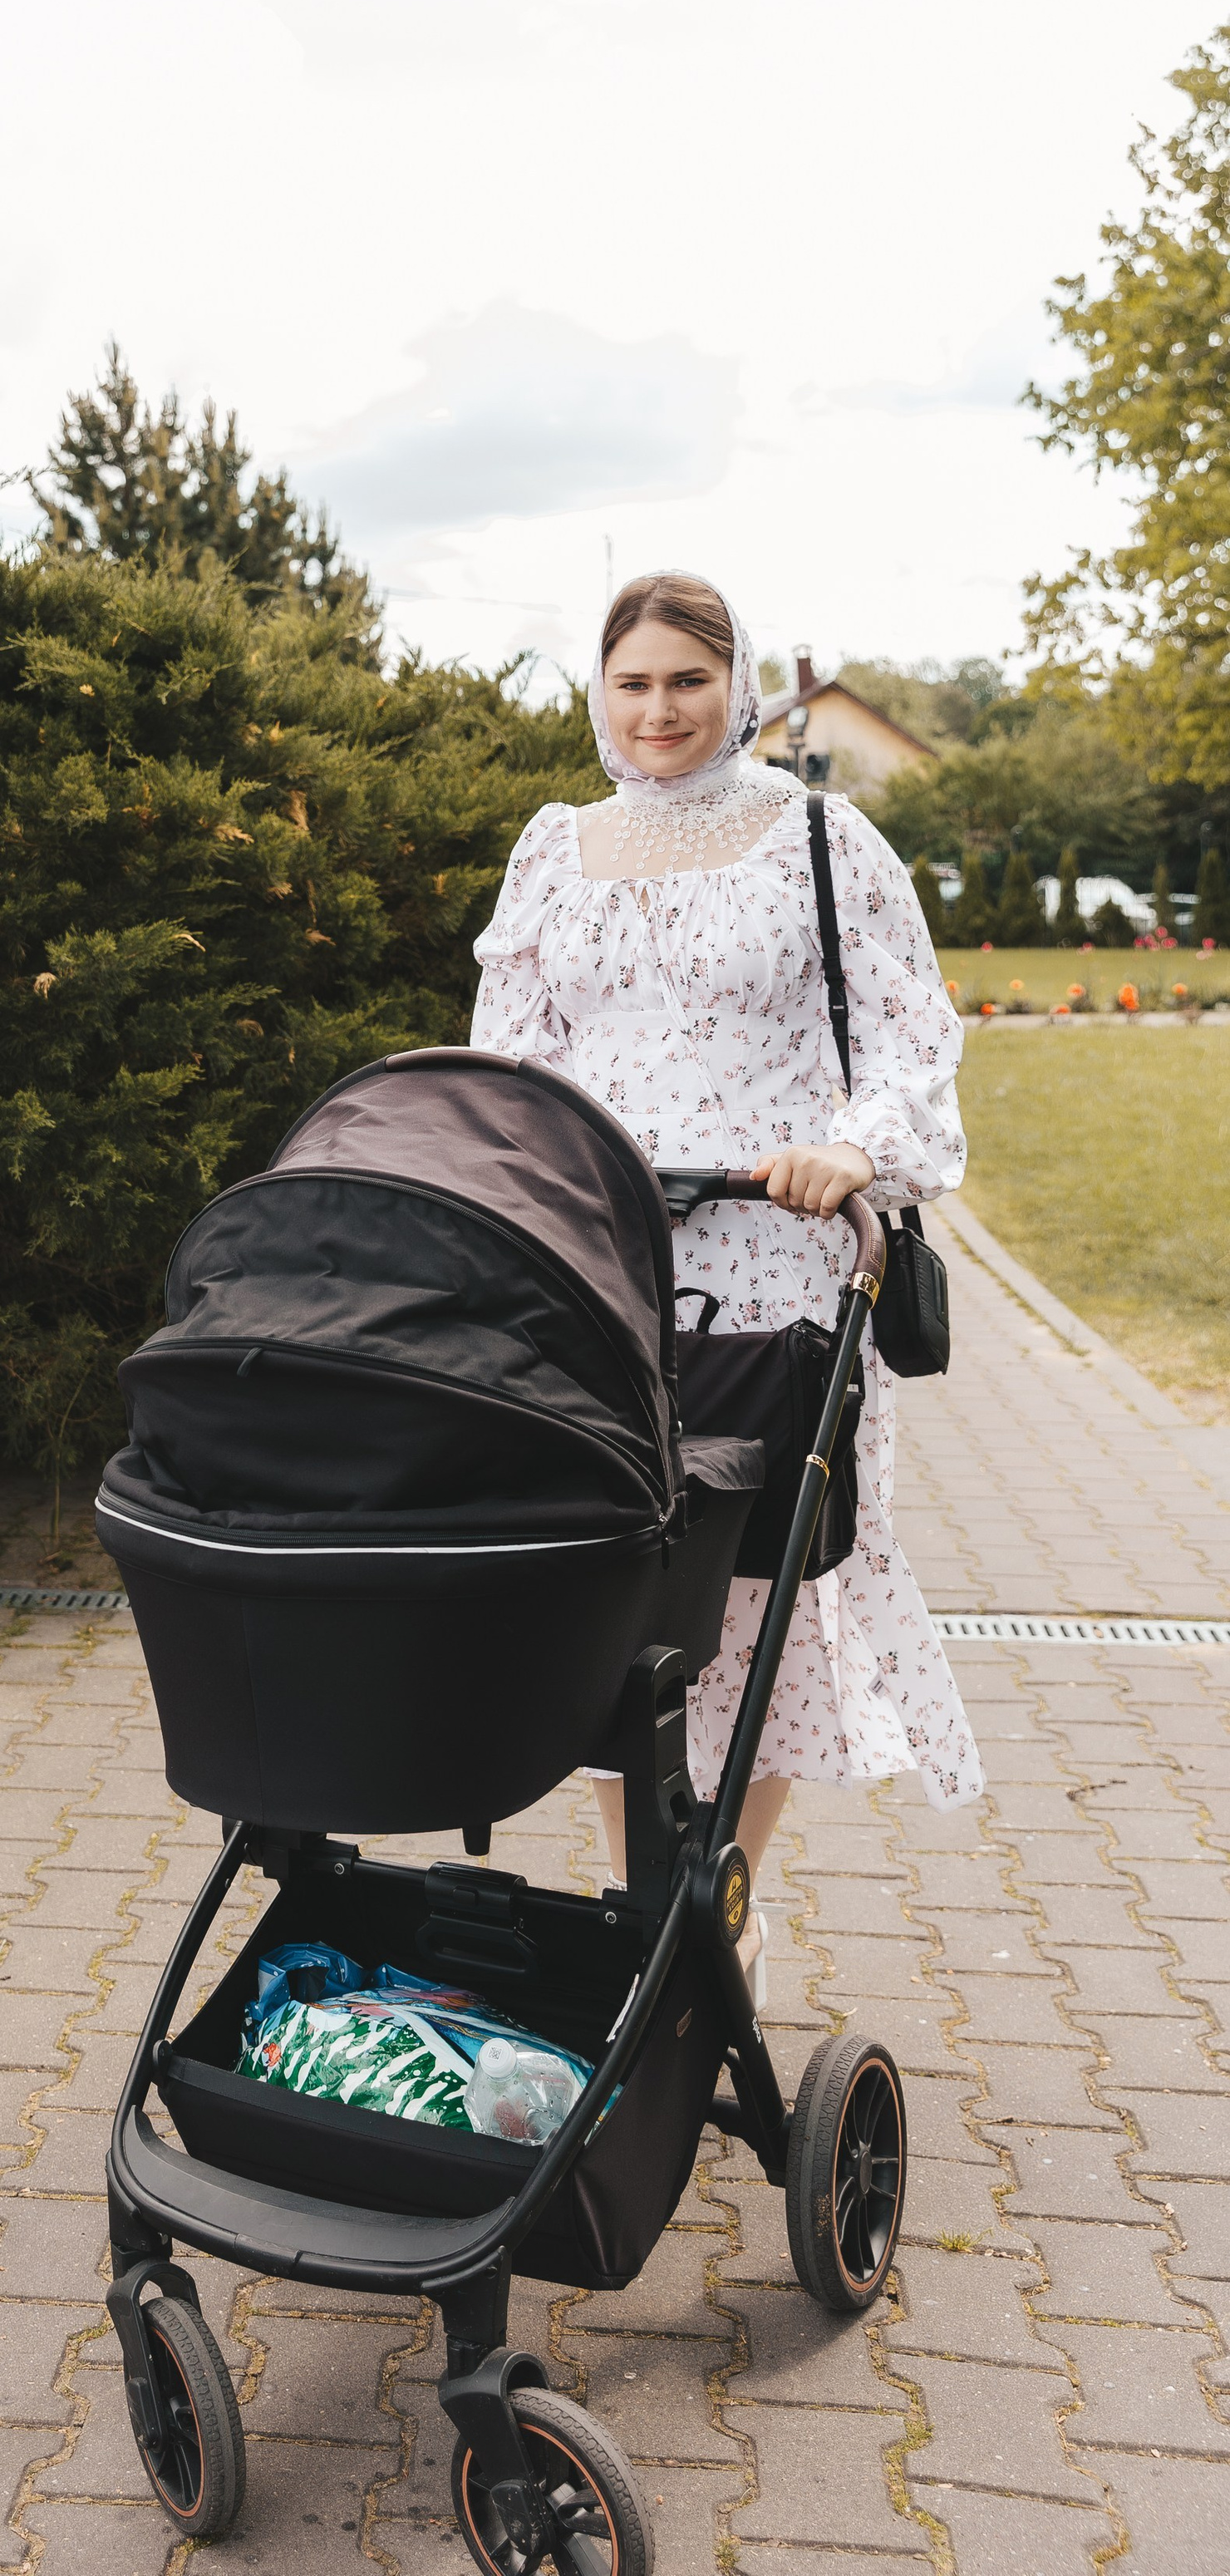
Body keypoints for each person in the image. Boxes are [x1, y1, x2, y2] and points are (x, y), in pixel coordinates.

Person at [470, 572, 982, 1985]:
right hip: (598, 1274)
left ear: (737, 685)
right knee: (606, 1591)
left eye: (686, 681)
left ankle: (719, 1906)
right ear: (601, 693)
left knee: (748, 1594)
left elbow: (912, 1046)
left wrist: (849, 1147)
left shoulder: (824, 840)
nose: (659, 712)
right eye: (633, 683)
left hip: (774, 1271)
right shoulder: (553, 851)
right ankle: (651, 1895)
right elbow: (509, 1060)